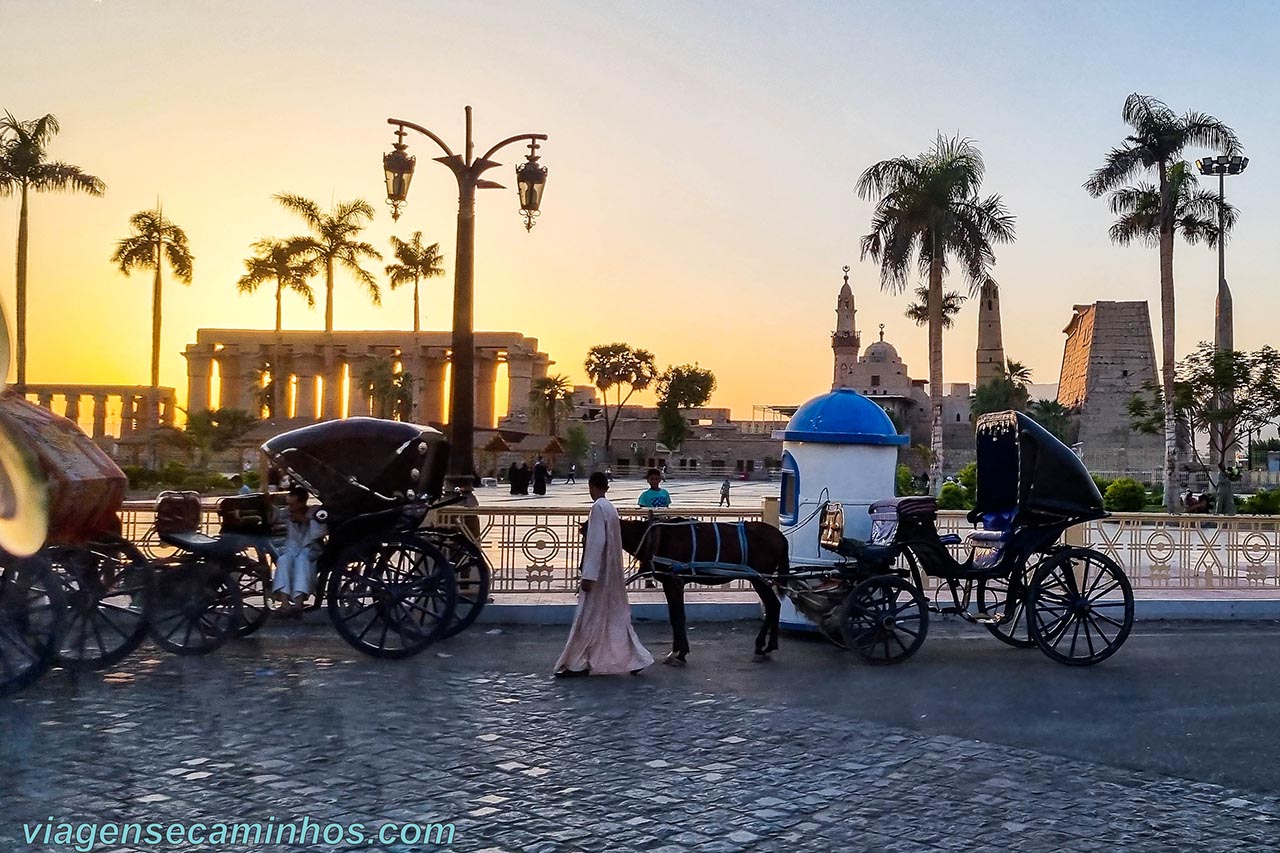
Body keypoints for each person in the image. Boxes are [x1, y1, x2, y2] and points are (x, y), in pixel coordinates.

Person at [554, 472, 654, 677]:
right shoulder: (610, 508)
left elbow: (596, 542)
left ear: (591, 486)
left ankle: (578, 662)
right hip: (611, 573)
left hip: (599, 575)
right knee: (615, 619)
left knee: (589, 618)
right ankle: (635, 658)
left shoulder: (597, 509)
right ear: (606, 488)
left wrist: (589, 575)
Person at [273, 486, 326, 617]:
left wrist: (305, 520)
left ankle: (298, 604)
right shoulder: (287, 512)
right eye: (289, 504)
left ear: (302, 503)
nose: (290, 507)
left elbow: (321, 531)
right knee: (283, 560)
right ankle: (284, 604)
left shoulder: (315, 512)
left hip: (310, 549)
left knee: (302, 561)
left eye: (293, 504)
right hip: (291, 549)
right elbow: (275, 517)